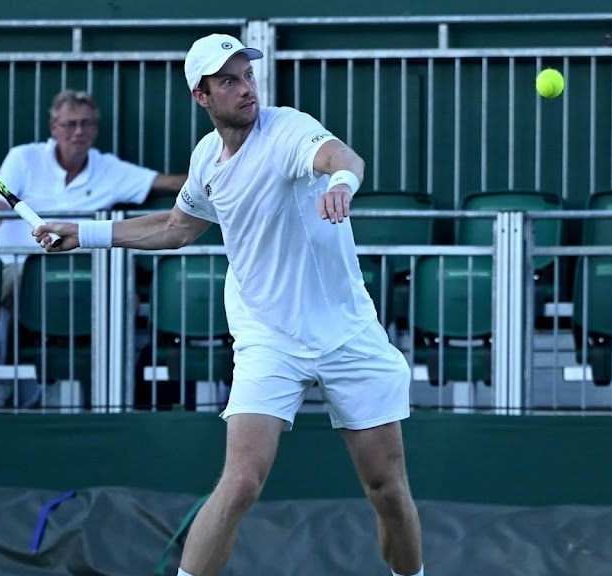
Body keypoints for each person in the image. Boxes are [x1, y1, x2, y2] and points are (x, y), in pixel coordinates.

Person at [33, 34, 424, 576]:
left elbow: (344, 157)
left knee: (387, 489)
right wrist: (86, 233)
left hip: (348, 334)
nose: (246, 89)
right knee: (239, 484)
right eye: (228, 81)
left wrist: (340, 182)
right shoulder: (206, 159)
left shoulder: (287, 129)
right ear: (202, 96)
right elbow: (177, 228)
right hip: (268, 338)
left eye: (247, 76)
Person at [0, 88, 187, 408]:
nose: (78, 132)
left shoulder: (109, 168)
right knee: (13, 291)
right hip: (18, 269)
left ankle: (109, 394)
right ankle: (1, 381)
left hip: (86, 276)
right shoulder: (23, 157)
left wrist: (221, 178)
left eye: (87, 124)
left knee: (124, 299)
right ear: (53, 128)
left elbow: (168, 183)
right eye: (70, 124)